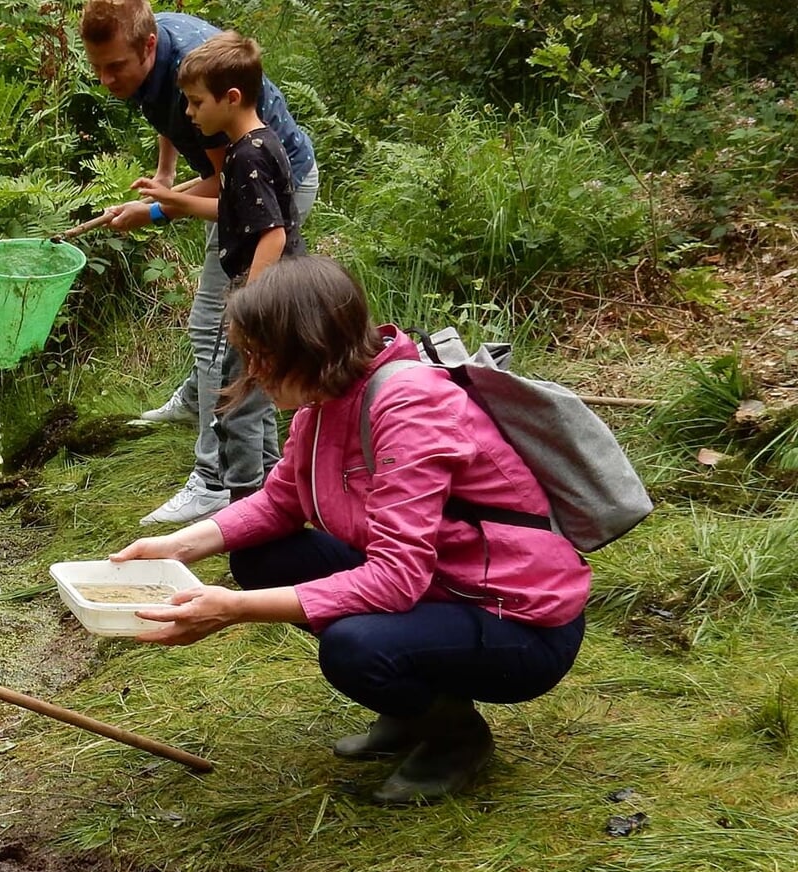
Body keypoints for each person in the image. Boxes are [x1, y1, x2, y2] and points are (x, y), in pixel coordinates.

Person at [107, 257, 590, 804]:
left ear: (307, 346)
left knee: (355, 645)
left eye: (261, 355)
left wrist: (234, 609)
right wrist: (175, 546)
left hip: (515, 619)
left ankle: (457, 737)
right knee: (261, 556)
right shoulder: (327, 400)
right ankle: (415, 710)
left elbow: (395, 580)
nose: (253, 371)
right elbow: (281, 501)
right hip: (442, 586)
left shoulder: (411, 407)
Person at [79, 0, 320, 525]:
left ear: (148, 47)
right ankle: (209, 408)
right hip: (246, 190)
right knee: (225, 339)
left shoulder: (214, 98)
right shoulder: (161, 59)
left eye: (114, 67)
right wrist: (165, 179)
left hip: (274, 192)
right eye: (96, 66)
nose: (105, 79)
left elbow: (229, 188)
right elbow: (169, 113)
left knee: (220, 328)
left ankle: (214, 478)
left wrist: (158, 211)